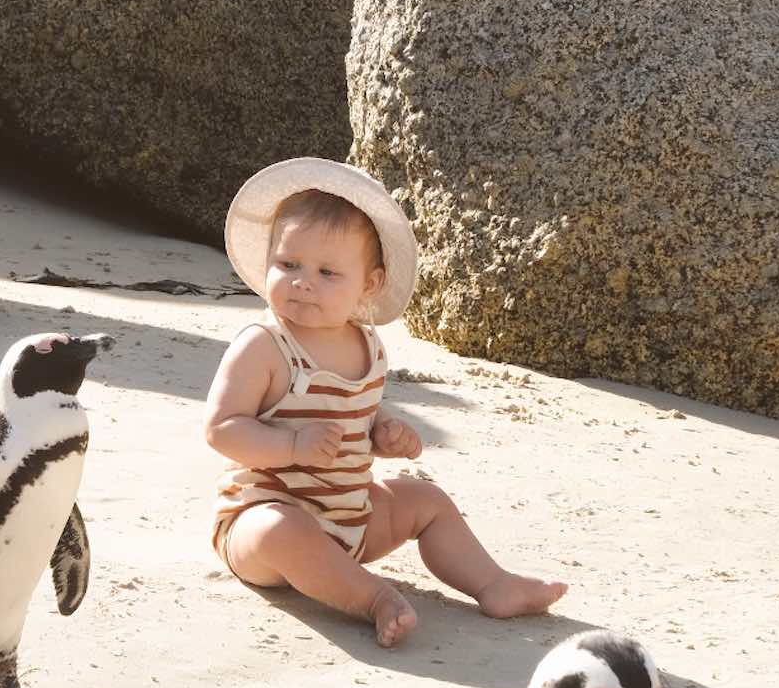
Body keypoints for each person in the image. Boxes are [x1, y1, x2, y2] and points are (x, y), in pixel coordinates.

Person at [204, 157, 567, 647]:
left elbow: (353, 414)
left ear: (369, 284)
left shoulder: (367, 345)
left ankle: (493, 583)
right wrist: (291, 445)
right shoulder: (264, 345)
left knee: (425, 500)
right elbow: (222, 427)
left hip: (350, 515)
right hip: (264, 519)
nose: (302, 281)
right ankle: (373, 598)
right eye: (287, 264)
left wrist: (383, 431)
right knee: (280, 529)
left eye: (327, 272)